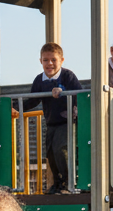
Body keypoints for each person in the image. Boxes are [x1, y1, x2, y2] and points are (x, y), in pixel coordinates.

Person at [28, 42, 82, 193]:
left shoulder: (67, 76)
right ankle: (57, 183)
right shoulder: (40, 80)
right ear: (40, 61)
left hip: (67, 121)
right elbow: (33, 100)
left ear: (62, 60)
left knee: (61, 149)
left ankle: (69, 183)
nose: (49, 63)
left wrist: (63, 91)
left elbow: (80, 95)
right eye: (46, 60)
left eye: (53, 60)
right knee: (50, 153)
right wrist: (15, 106)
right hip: (51, 122)